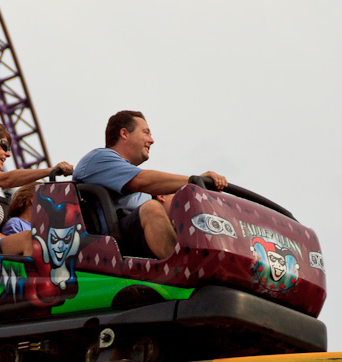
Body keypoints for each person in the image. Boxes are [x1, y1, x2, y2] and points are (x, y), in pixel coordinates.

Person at [73, 110, 228, 259]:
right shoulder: (99, 159)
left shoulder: (139, 187)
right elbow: (144, 180)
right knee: (152, 208)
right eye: (146, 133)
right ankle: (182, 271)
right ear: (124, 133)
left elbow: (163, 197)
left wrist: (205, 193)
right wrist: (194, 181)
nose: (151, 140)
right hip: (111, 245)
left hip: (137, 236)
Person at [0, 120, 72, 258]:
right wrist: (50, 170)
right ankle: (36, 278)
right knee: (32, 238)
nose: (8, 154)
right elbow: (7, 179)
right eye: (4, 146)